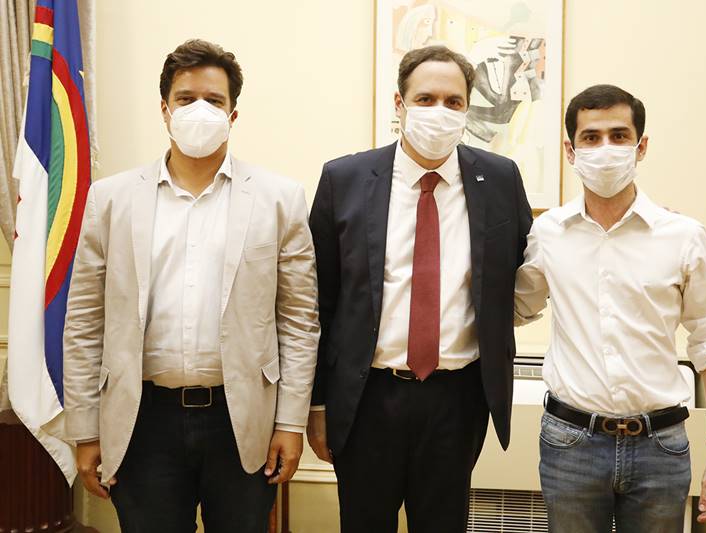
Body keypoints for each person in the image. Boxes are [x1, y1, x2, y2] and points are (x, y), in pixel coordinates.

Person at [62, 39, 320, 533]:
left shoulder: (279, 199)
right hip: (141, 421)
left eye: (214, 100)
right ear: (164, 110)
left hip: (242, 420)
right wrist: (85, 428)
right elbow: (84, 321)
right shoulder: (110, 199)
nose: (199, 110)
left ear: (233, 115)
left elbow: (299, 322)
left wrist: (290, 422)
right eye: (185, 99)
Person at [306, 45, 546, 533]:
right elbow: (319, 302)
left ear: (468, 108)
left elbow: (527, 267)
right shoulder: (344, 178)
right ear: (399, 104)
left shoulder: (500, 178)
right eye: (426, 99)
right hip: (367, 396)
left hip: (457, 399)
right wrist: (317, 403)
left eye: (453, 102)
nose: (440, 111)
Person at [515, 84, 706, 532]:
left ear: (641, 146)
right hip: (570, 443)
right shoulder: (548, 233)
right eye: (591, 137)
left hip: (661, 445)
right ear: (570, 150)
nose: (606, 148)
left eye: (619, 136)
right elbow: (516, 307)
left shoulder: (683, 235)